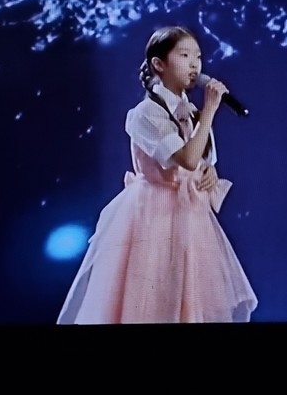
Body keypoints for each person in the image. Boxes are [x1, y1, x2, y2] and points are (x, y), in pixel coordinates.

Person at [57, 25, 257, 324]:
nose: (194, 65)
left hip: (191, 217)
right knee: (154, 301)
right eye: (185, 56)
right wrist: (210, 110)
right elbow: (186, 159)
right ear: (158, 64)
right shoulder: (145, 113)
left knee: (191, 302)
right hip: (155, 216)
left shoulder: (190, 111)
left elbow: (201, 160)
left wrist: (210, 172)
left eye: (198, 57)